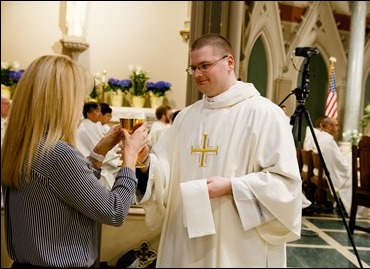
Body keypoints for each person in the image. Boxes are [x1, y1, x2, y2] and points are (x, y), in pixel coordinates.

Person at [133, 34, 302, 268]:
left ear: (229, 62)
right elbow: (165, 171)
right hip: (184, 238)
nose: (198, 74)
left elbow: (286, 184)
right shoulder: (187, 117)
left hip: (236, 244)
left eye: (205, 65)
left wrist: (233, 187)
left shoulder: (264, 113)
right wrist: (144, 161)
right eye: (193, 68)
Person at [1, 55, 148, 268]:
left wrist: (99, 152)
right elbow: (114, 211)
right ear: (62, 101)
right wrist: (131, 157)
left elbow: (70, 189)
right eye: (78, 97)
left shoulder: (22, 146)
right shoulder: (59, 153)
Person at [303, 117, 352, 215]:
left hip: (318, 170)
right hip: (325, 172)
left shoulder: (320, 138)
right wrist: (350, 167)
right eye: (336, 125)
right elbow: (340, 163)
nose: (338, 128)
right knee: (356, 176)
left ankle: (339, 203)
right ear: (329, 127)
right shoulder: (328, 141)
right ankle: (350, 206)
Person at [76, 102, 121, 190]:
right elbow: (97, 151)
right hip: (90, 164)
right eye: (97, 111)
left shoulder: (95, 126)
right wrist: (118, 157)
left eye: (100, 111)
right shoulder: (85, 129)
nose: (100, 114)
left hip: (101, 161)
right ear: (88, 113)